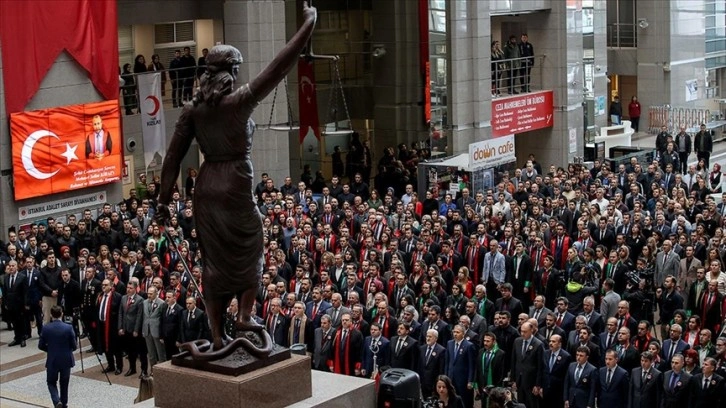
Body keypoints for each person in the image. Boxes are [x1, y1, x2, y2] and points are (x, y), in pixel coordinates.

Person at [156, 2, 317, 356]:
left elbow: (172, 158)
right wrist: (309, 24)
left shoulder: (192, 110)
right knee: (251, 249)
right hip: (235, 184)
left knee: (213, 262)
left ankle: (216, 335)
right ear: (229, 71)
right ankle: (244, 316)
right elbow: (279, 66)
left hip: (206, 186)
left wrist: (163, 200)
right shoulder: (239, 102)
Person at [38, 305, 77, 408]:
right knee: (64, 383)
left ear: (51, 315)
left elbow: (40, 345)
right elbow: (74, 346)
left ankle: (56, 401)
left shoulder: (46, 328)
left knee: (51, 382)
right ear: (62, 314)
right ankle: (64, 403)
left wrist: (50, 350)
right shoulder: (68, 328)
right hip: (66, 359)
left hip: (52, 360)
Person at [510, 321, 544, 408]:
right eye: (521, 331)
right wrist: (513, 379)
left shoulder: (538, 344)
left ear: (531, 330)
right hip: (519, 380)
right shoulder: (517, 341)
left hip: (531, 382)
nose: (522, 333)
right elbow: (514, 361)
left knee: (532, 404)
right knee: (520, 404)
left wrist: (538, 385)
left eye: (525, 332)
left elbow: (541, 366)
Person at [118, 280, 146, 377]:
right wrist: (120, 327)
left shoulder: (140, 300)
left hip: (135, 330)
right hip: (126, 329)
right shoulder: (123, 298)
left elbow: (139, 316)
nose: (128, 290)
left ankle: (144, 370)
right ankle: (132, 368)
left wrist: (136, 330)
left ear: (135, 289)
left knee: (140, 351)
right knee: (130, 351)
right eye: (127, 288)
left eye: (131, 288)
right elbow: (121, 313)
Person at [444, 324, 476, 408]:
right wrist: (445, 377)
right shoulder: (449, 343)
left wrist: (470, 380)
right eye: (454, 332)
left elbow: (471, 365)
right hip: (451, 378)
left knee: (464, 401)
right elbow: (447, 362)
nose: (455, 334)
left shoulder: (469, 345)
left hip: (463, 380)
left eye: (457, 332)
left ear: (463, 333)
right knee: (451, 400)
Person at [2, 260, 28, 347]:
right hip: (10, 304)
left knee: (21, 322)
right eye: (10, 266)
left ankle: (23, 338)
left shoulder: (22, 277)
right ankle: (17, 338)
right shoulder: (6, 277)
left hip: (20, 304)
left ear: (16, 267)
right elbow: (5, 292)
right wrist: (5, 303)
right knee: (14, 322)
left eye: (13, 266)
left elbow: (25, 292)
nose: (11, 267)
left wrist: (25, 304)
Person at [142, 285, 166, 370]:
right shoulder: (144, 302)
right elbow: (143, 317)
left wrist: (162, 334)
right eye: (148, 293)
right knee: (151, 353)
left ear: (156, 293)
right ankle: (152, 370)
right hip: (147, 331)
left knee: (160, 353)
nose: (149, 295)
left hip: (157, 331)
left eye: (151, 294)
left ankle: (162, 371)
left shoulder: (162, 303)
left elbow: (163, 320)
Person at [418, 328, 446, 397]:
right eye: (427, 336)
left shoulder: (441, 350)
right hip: (423, 382)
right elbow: (419, 366)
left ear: (436, 338)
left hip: (434, 383)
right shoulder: (421, 349)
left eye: (430, 337)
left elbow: (441, 369)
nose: (427, 338)